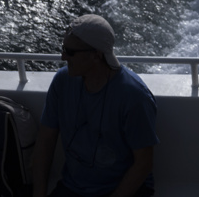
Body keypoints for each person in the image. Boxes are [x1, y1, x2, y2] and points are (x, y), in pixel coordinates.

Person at [31, 14, 158, 197]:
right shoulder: (62, 81)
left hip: (122, 190)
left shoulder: (134, 96)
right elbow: (45, 141)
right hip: (74, 187)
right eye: (63, 49)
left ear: (96, 55)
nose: (63, 57)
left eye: (70, 51)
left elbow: (143, 164)